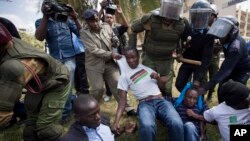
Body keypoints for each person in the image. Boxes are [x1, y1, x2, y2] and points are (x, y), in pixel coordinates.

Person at [0, 23, 70, 140]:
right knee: (30, 130)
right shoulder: (6, 41)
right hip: (36, 84)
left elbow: (2, 115)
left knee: (47, 129)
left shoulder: (13, 66)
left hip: (56, 82)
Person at [113, 47, 184, 141]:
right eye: (128, 58)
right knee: (147, 126)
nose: (131, 60)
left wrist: (158, 78)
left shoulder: (147, 69)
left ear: (138, 56)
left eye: (133, 57)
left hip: (160, 100)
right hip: (144, 104)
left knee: (176, 122)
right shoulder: (124, 76)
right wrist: (116, 121)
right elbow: (122, 101)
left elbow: (162, 88)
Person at [80, 9, 136, 116]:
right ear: (87, 22)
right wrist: (111, 54)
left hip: (109, 63)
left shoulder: (106, 26)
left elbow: (114, 39)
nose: (95, 23)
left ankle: (128, 108)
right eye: (91, 21)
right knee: (98, 89)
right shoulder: (84, 33)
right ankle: (92, 109)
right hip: (94, 65)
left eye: (96, 20)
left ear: (98, 18)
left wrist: (115, 41)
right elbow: (94, 50)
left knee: (118, 85)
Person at [35, 0, 81, 122]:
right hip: (54, 59)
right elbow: (39, 37)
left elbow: (82, 33)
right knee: (59, 86)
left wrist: (75, 18)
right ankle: (71, 102)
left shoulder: (66, 20)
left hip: (69, 57)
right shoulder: (40, 22)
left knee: (66, 84)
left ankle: (65, 115)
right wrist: (45, 16)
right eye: (47, 6)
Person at [129, 0, 187, 97]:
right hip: (150, 58)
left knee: (167, 89)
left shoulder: (181, 23)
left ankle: (167, 108)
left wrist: (179, 52)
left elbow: (179, 38)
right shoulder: (151, 19)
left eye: (172, 11)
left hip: (167, 60)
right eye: (168, 11)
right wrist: (132, 50)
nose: (169, 16)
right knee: (148, 87)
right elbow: (133, 29)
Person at [199, 15, 250, 103]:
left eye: (223, 33)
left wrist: (206, 87)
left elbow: (225, 71)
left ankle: (233, 112)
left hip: (241, 71)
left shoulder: (236, 47)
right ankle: (221, 111)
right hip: (231, 65)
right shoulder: (226, 39)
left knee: (235, 93)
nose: (219, 36)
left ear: (232, 32)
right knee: (222, 90)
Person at [175, 0, 214, 92]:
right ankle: (187, 99)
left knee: (198, 87)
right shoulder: (186, 29)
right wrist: (179, 52)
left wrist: (197, 80)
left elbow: (206, 59)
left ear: (206, 18)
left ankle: (197, 103)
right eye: (196, 17)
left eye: (202, 17)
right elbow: (179, 42)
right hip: (187, 62)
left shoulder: (209, 35)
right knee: (179, 84)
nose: (198, 20)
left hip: (200, 65)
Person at [60, 95, 136, 141]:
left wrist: (123, 130)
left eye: (98, 111)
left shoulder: (103, 120)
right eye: (91, 115)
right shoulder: (72, 138)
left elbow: (107, 135)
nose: (98, 117)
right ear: (77, 117)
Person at [99, 1, 129, 102]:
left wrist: (121, 13)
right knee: (108, 76)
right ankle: (108, 93)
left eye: (111, 17)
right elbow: (95, 21)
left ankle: (123, 93)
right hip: (107, 57)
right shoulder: (100, 30)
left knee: (121, 75)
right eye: (107, 17)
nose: (109, 19)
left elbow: (126, 26)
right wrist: (101, 10)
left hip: (119, 56)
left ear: (114, 19)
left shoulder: (116, 29)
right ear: (103, 19)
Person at [0, 17, 27, 127]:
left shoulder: (5, 22)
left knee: (9, 93)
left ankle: (23, 115)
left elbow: (17, 43)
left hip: (8, 64)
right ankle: (11, 119)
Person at [206, 4, 222, 101]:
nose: (209, 16)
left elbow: (220, 44)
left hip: (214, 57)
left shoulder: (220, 28)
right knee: (202, 78)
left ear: (215, 16)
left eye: (211, 14)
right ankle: (201, 95)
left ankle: (210, 94)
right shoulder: (202, 25)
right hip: (203, 56)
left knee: (214, 78)